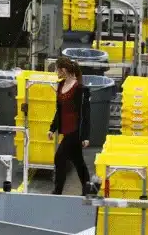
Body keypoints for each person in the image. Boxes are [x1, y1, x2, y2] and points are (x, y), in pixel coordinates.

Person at [48, 57, 91, 195]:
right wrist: (52, 128)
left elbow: (85, 115)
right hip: (66, 130)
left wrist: (85, 136)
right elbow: (59, 110)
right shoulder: (60, 86)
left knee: (59, 157)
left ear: (64, 70)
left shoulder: (80, 89)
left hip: (75, 131)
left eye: (57, 69)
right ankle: (88, 189)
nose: (56, 72)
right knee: (78, 161)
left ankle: (57, 191)